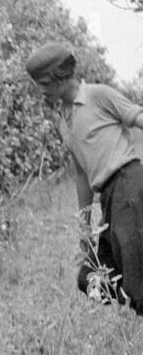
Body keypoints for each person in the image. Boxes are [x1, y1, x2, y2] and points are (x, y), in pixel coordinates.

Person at [25, 43, 143, 315]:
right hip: (109, 197)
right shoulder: (63, 121)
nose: (40, 90)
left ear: (58, 77)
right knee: (89, 278)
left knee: (136, 276)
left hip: (130, 183)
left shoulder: (98, 95)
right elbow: (81, 174)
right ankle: (134, 302)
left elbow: (138, 117)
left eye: (43, 83)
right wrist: (84, 223)